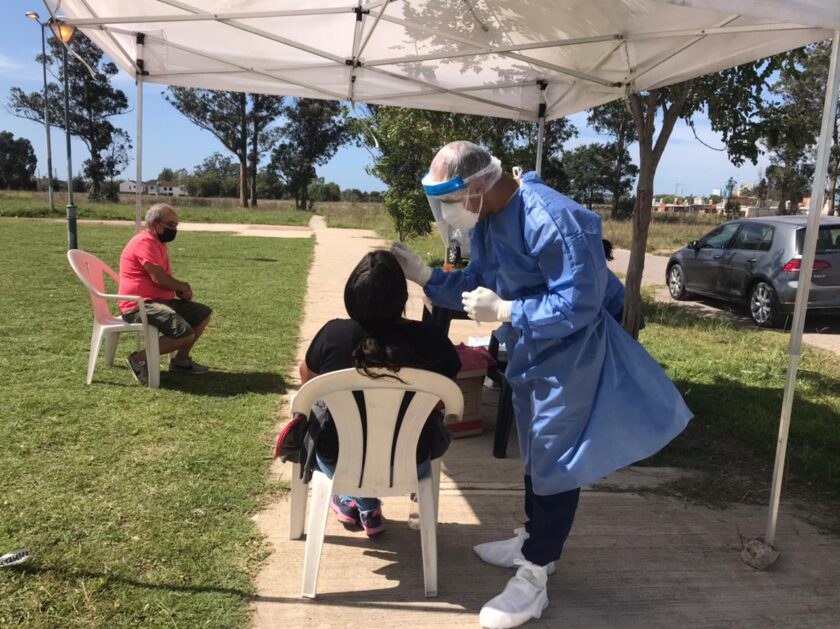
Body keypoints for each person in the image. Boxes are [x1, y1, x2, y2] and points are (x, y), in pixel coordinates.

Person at [392, 141, 692, 629]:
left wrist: (509, 310)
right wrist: (426, 277)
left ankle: (534, 577)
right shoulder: (490, 219)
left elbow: (580, 304)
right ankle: (534, 539)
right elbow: (479, 282)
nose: (448, 211)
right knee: (534, 452)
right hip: (532, 352)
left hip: (571, 356)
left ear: (476, 186)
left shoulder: (554, 219)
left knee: (556, 461)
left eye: (450, 200)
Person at [299, 250, 461, 537]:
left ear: (351, 295)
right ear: (403, 298)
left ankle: (359, 500)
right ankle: (363, 502)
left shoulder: (332, 335)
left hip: (338, 460)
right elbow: (444, 400)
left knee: (322, 416)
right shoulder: (432, 339)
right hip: (413, 461)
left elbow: (308, 385)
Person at [118, 204, 212, 385]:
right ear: (154, 223)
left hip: (159, 301)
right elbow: (159, 278)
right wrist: (183, 286)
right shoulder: (144, 242)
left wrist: (179, 290)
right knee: (184, 333)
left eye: (176, 225)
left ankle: (180, 361)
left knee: (202, 314)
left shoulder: (158, 243)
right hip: (138, 304)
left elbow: (162, 279)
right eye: (170, 225)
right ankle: (138, 359)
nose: (174, 229)